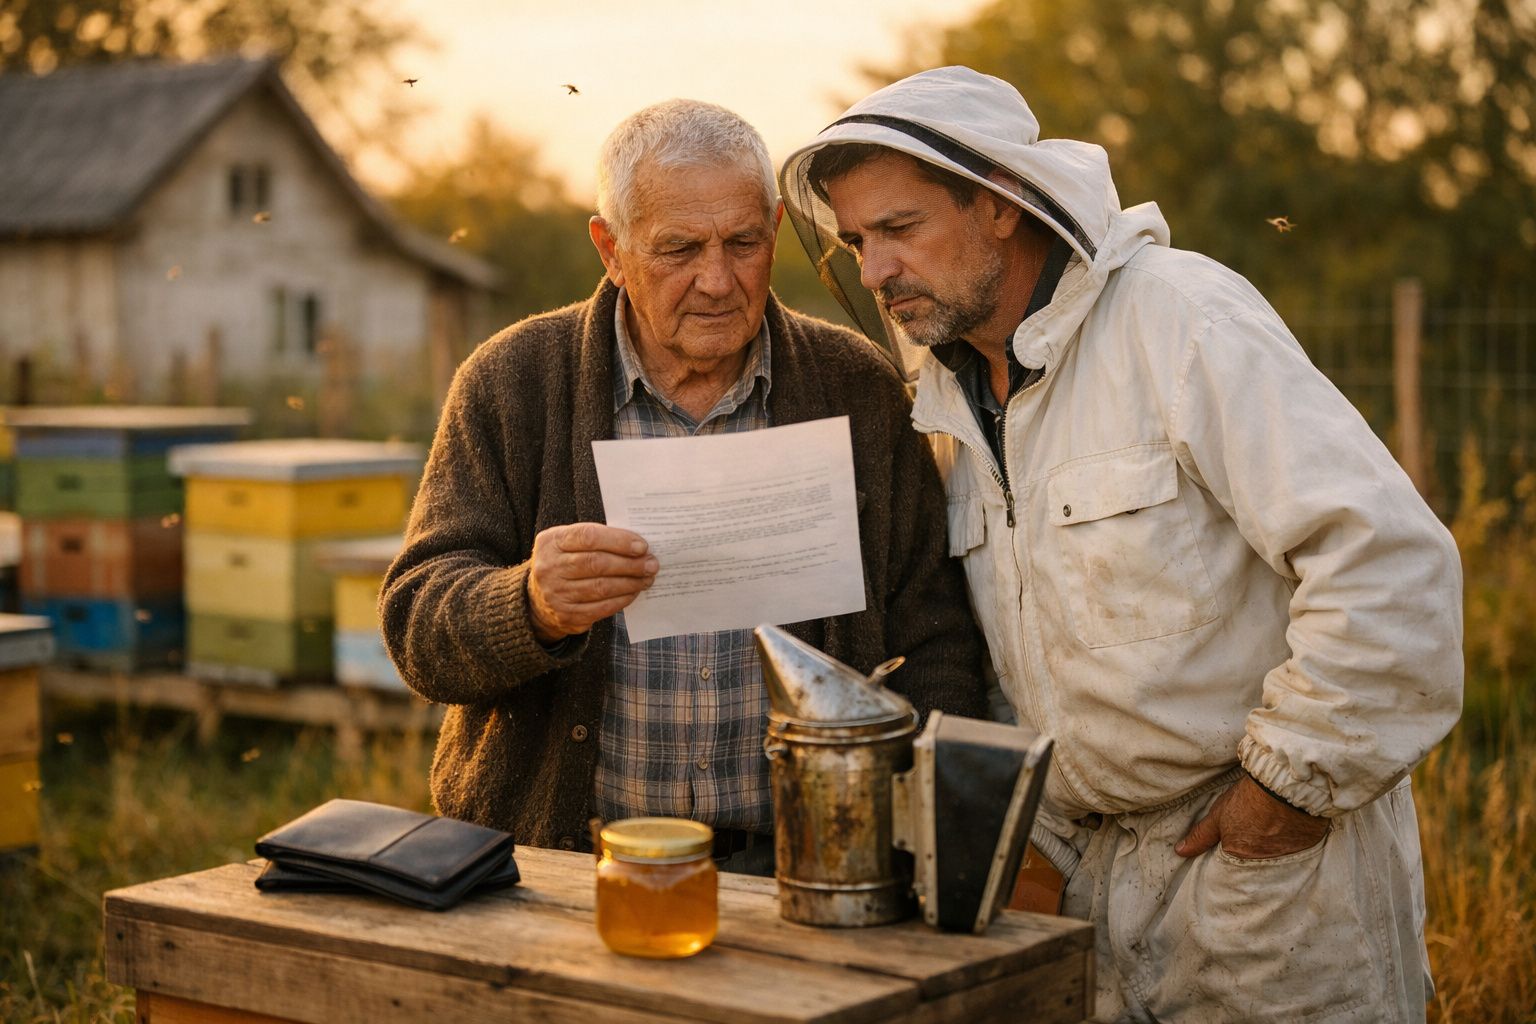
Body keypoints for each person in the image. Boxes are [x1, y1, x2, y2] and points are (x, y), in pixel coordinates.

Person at [781, 66, 1462, 1021]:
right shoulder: (948, 397)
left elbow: (1391, 566)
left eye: (900, 229)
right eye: (856, 242)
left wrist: (1286, 794)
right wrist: (1036, 843)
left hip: (1269, 885)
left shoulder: (1179, 320)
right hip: (1089, 884)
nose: (875, 271)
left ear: (1003, 202)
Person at [380, 98, 987, 877]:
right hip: (561, 866)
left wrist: (926, 837)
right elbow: (415, 625)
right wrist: (530, 605)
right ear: (611, 247)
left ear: (774, 228)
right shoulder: (514, 380)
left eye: (743, 243)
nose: (717, 280)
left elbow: (934, 635)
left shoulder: (855, 388)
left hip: (802, 870)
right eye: (678, 249)